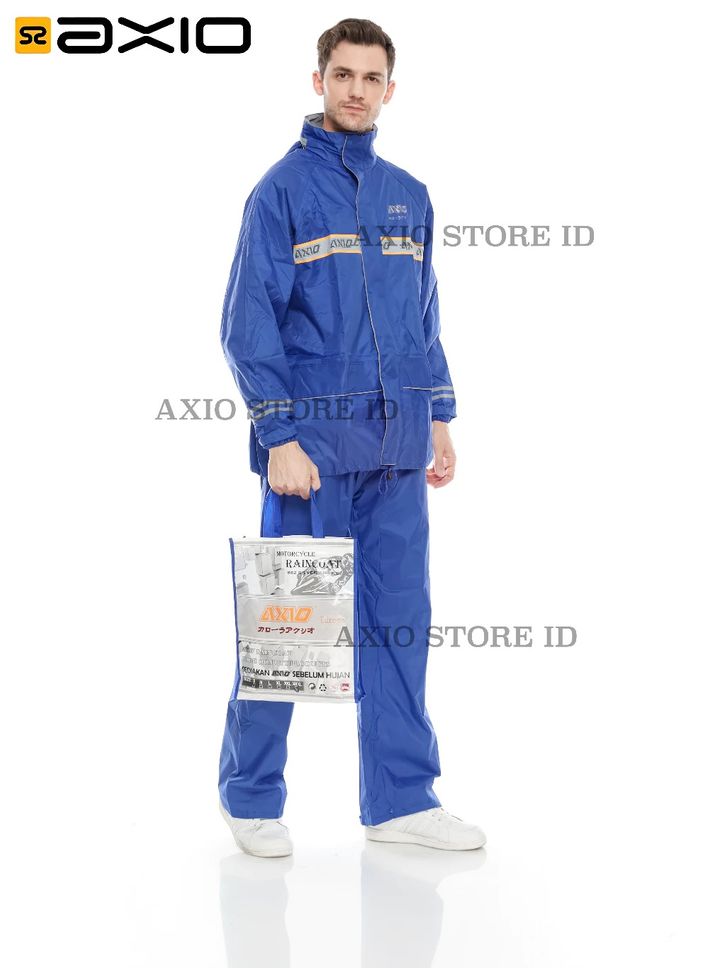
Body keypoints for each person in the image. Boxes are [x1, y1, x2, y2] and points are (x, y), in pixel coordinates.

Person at [217, 17, 486, 857]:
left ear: (390, 90)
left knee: (400, 625)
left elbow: (423, 317)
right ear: (319, 82)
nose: (357, 90)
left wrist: (437, 415)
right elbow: (247, 324)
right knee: (288, 625)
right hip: (312, 456)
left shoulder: (410, 194)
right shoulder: (281, 192)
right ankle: (250, 796)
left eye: (372, 78)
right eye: (343, 75)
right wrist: (279, 436)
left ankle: (402, 799)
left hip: (397, 450)